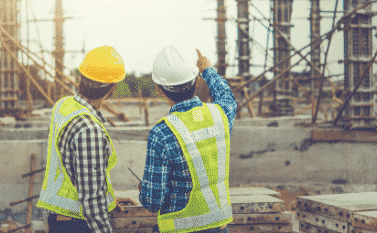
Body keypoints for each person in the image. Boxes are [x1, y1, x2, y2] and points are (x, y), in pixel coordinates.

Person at [139, 46, 237, 233]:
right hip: (218, 226)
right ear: (197, 81)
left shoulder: (162, 133)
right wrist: (208, 69)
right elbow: (227, 97)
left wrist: (144, 188)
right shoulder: (220, 115)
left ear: (159, 90)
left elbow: (152, 201)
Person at [36, 45, 129, 233]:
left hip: (58, 215)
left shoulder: (63, 106)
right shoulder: (89, 130)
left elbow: (75, 171)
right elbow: (91, 199)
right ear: (112, 88)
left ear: (81, 78)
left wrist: (108, 201)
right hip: (76, 222)